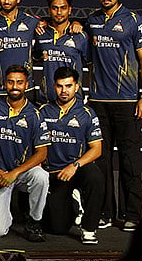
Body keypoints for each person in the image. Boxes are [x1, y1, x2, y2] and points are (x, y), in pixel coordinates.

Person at [86, 0, 142, 232]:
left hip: (127, 101)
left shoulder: (134, 20)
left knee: (129, 160)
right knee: (101, 162)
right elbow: (90, 61)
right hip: (98, 102)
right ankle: (104, 213)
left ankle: (132, 214)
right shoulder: (92, 21)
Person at [0, 65, 50, 242]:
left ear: (26, 85)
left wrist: (16, 172)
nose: (15, 86)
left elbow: (42, 152)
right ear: (4, 84)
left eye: (19, 82)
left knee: (41, 176)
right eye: (11, 82)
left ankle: (34, 221)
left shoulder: (35, 114)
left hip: (21, 173)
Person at [38, 67, 105, 245]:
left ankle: (89, 229)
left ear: (76, 87)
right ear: (54, 87)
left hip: (75, 170)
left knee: (95, 175)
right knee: (57, 229)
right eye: (60, 86)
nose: (64, 91)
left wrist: (75, 166)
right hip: (53, 175)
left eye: (68, 86)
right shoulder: (43, 111)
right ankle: (75, 204)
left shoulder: (87, 114)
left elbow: (97, 149)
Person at [33, 0, 88, 104]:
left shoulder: (81, 36)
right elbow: (36, 56)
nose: (59, 12)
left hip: (73, 103)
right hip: (46, 102)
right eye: (55, 8)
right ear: (49, 10)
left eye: (63, 8)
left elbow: (91, 64)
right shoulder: (41, 33)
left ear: (70, 10)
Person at [0, 0, 40, 97]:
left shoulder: (32, 22)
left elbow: (56, 27)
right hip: (0, 90)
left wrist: (76, 24)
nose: (6, 1)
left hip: (26, 90)